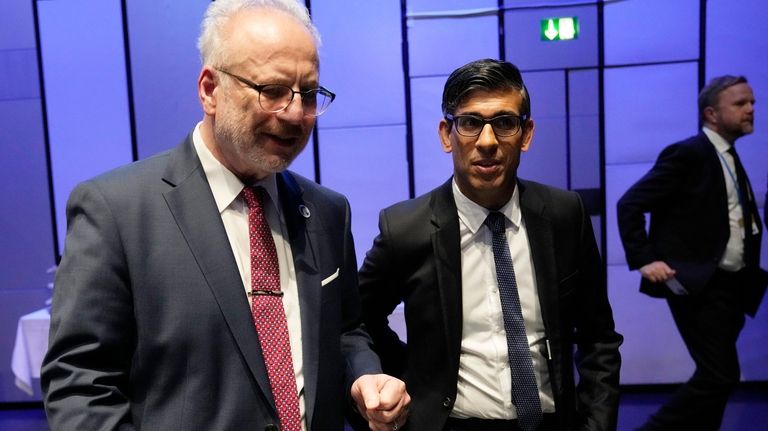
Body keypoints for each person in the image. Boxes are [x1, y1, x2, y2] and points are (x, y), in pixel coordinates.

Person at [40, 1, 410, 430]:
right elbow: (81, 386)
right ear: (210, 90)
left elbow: (346, 331)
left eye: (307, 93)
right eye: (271, 90)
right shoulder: (117, 211)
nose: (293, 114)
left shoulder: (327, 212)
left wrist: (364, 375)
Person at [357, 59, 622, 431]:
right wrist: (415, 376)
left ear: (526, 133)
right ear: (446, 135)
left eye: (504, 123)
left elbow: (598, 337)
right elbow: (357, 321)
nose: (487, 142)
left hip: (549, 422)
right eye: (469, 123)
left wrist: (597, 425)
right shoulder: (405, 227)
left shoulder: (564, 215)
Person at [617, 75, 767, 431]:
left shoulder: (728, 155)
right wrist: (645, 259)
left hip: (732, 284)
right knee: (721, 374)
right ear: (711, 114)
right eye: (741, 103)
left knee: (714, 376)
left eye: (752, 103)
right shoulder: (689, 153)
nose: (751, 109)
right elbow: (630, 204)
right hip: (699, 284)